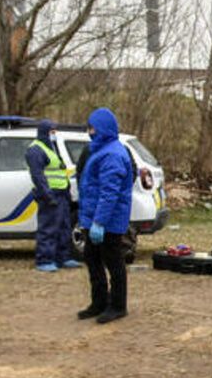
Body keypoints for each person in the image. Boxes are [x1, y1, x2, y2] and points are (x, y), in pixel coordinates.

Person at [75, 108, 135, 324]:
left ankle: (118, 305)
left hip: (108, 220)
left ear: (102, 128)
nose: (89, 132)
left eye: (92, 128)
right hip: (93, 217)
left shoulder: (113, 154)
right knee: (92, 258)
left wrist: (99, 222)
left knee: (114, 261)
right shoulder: (99, 150)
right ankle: (99, 302)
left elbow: (109, 193)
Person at [27, 119, 79, 272]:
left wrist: (67, 191)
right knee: (48, 228)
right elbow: (38, 176)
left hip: (61, 193)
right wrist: (48, 195)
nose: (54, 135)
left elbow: (60, 170)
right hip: (49, 195)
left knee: (64, 227)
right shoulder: (36, 150)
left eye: (55, 132)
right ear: (44, 132)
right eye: (52, 132)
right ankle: (44, 259)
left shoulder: (53, 147)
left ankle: (63, 257)